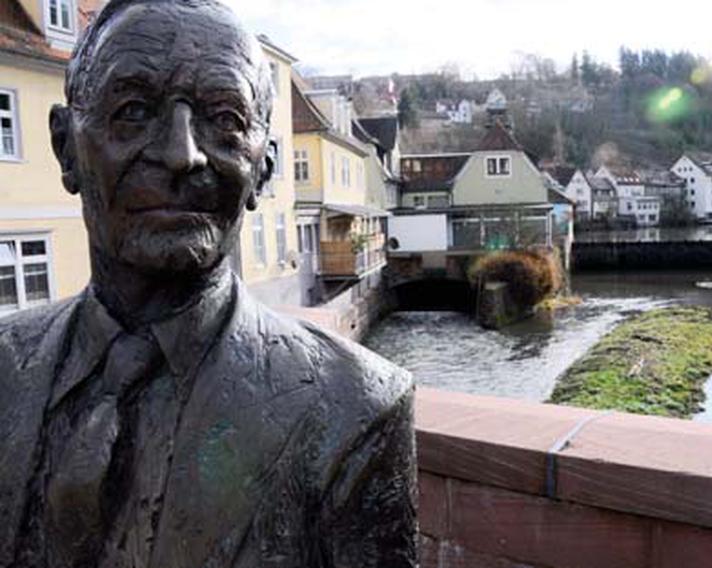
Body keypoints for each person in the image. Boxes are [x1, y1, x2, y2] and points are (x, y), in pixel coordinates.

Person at [0, 1, 417, 566]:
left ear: (263, 168)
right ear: (65, 148)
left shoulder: (357, 409)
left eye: (225, 120)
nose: (182, 155)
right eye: (133, 111)